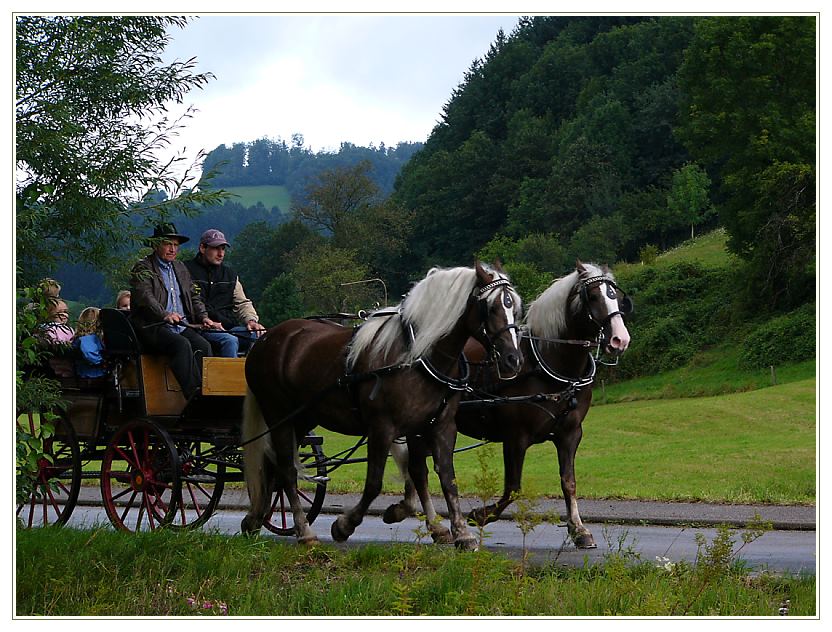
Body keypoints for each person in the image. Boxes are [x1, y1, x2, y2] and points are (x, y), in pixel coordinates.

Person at [130, 223, 222, 398]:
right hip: (153, 326)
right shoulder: (143, 268)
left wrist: (203, 317)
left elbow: (194, 296)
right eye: (168, 244)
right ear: (156, 245)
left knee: (203, 345)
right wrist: (165, 314)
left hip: (180, 325)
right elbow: (145, 297)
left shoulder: (180, 267)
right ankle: (194, 396)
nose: (172, 249)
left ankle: (211, 394)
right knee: (181, 345)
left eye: (175, 245)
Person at [184, 228, 266, 358]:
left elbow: (242, 303)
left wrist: (251, 321)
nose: (221, 254)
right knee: (229, 340)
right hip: (200, 327)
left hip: (228, 327)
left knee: (260, 334)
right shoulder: (185, 270)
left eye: (223, 249)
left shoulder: (230, 275)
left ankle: (252, 376)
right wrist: (206, 321)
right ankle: (228, 378)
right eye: (216, 248)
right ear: (202, 248)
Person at [72, 307, 107, 378]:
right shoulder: (88, 338)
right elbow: (89, 352)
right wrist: (104, 362)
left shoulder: (79, 338)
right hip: (93, 375)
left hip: (86, 374)